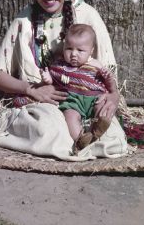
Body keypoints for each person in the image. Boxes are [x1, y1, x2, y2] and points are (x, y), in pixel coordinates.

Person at [0, 0, 129, 161]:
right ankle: (74, 147)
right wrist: (32, 90)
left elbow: (108, 71)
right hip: (41, 105)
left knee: (113, 138)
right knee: (50, 131)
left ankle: (83, 142)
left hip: (86, 98)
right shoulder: (24, 20)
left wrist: (112, 98)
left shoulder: (87, 15)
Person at [41, 23, 117, 151]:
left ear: (91, 51)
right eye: (69, 49)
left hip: (94, 99)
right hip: (72, 101)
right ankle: (80, 139)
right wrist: (47, 78)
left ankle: (99, 126)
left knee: (102, 108)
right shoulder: (60, 65)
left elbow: (110, 86)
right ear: (63, 47)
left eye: (80, 50)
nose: (73, 54)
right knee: (70, 116)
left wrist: (108, 78)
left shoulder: (96, 65)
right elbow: (53, 81)